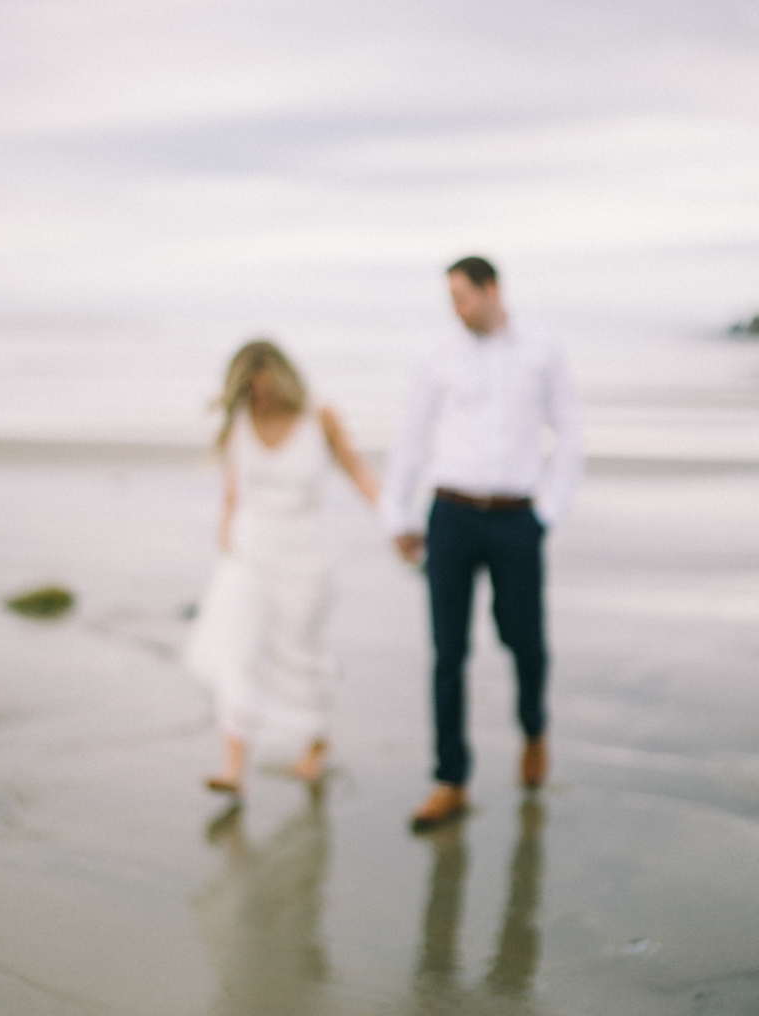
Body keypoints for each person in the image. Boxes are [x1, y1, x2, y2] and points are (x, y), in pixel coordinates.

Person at [380, 257, 582, 831]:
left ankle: (533, 729)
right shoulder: (435, 355)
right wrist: (396, 513)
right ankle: (450, 779)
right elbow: (410, 436)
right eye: (451, 298)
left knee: (524, 640)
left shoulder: (541, 347)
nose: (457, 308)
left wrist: (549, 511)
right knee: (448, 651)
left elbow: (570, 431)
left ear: (492, 290)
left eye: (464, 296)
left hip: (517, 517)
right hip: (451, 514)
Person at [187, 341, 378, 799]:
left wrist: (394, 520)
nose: (261, 398)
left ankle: (316, 740)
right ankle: (233, 766)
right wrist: (225, 532)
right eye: (251, 391)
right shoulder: (239, 422)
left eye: (267, 387)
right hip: (249, 553)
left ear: (285, 380)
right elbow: (233, 487)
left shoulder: (320, 418)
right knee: (238, 650)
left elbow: (356, 470)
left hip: (307, 556)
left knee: (300, 653)